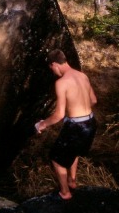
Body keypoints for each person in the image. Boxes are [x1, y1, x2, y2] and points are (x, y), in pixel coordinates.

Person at [35, 49, 97, 200]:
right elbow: (94, 100)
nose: (53, 72)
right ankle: (72, 181)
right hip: (90, 123)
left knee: (56, 158)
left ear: (55, 64)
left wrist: (42, 124)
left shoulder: (61, 83)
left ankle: (65, 192)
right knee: (73, 152)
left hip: (76, 127)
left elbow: (59, 115)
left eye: (52, 69)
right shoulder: (82, 76)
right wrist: (78, 107)